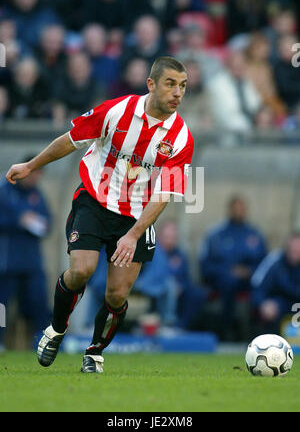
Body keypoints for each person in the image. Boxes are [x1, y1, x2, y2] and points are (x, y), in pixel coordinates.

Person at [6, 56, 194, 373]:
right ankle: (55, 330)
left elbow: (164, 195)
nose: (177, 93)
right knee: (81, 270)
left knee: (117, 293)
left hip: (137, 217)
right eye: (170, 84)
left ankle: (94, 352)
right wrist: (30, 165)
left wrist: (133, 235)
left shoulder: (181, 138)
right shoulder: (116, 110)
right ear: (151, 84)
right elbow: (71, 140)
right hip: (94, 200)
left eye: (183, 86)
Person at [0, 158, 52, 350]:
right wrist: (19, 219)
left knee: (38, 304)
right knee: (2, 307)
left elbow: (48, 222)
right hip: (6, 263)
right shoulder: (3, 191)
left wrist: (37, 223)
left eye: (39, 174)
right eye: (34, 173)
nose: (36, 178)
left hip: (31, 263)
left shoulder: (36, 194)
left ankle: (42, 344)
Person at [199, 194, 267, 340]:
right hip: (223, 281)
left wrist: (249, 271)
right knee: (229, 281)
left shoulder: (254, 234)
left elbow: (265, 264)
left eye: (242, 208)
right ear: (229, 209)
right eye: (236, 208)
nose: (239, 211)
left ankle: (256, 331)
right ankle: (227, 330)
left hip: (249, 279)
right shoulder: (216, 235)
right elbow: (206, 266)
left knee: (261, 287)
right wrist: (228, 272)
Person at [251, 233, 300, 335]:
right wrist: (262, 303)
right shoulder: (274, 260)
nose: (295, 252)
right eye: (293, 248)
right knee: (271, 309)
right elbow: (257, 286)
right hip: (279, 304)